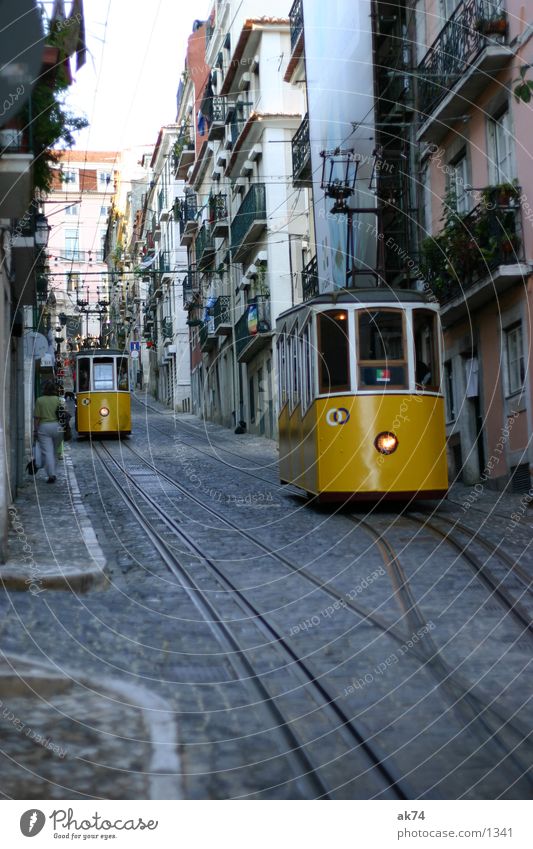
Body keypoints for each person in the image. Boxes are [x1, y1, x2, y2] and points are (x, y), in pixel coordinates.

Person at [33, 380, 63, 483]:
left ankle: (52, 474)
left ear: (44, 389)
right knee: (55, 450)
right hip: (58, 427)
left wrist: (35, 430)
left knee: (48, 452)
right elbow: (64, 415)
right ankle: (53, 470)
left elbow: (37, 417)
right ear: (55, 390)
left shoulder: (39, 400)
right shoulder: (59, 400)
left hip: (44, 427)